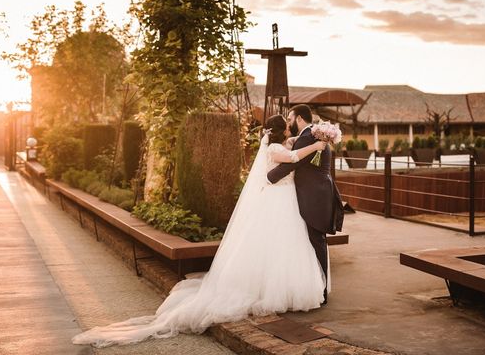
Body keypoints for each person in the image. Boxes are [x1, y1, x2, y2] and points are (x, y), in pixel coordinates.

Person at [72, 114, 327, 348]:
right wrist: (315, 146)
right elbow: (292, 157)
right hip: (277, 202)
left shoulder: (277, 144)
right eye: (289, 127)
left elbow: (291, 148)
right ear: (282, 131)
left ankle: (277, 287)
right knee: (277, 244)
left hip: (284, 201)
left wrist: (305, 138)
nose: (291, 130)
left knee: (282, 246)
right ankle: (273, 291)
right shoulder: (275, 149)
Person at [267, 104, 345, 305]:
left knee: (316, 241)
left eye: (291, 118)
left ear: (300, 118)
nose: (289, 123)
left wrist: (270, 177)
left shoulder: (308, 137)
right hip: (316, 194)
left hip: (314, 197)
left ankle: (321, 290)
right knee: (315, 241)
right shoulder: (311, 135)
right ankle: (320, 288)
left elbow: (295, 161)